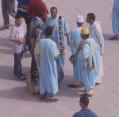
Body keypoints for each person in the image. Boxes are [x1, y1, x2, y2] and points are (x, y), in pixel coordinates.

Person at [38, 27, 59, 103]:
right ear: (52, 34)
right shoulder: (53, 44)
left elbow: (37, 52)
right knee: (51, 78)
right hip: (50, 64)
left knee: (43, 78)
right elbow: (56, 55)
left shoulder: (41, 42)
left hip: (43, 63)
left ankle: (42, 93)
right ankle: (50, 96)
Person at [79, 27, 98, 96]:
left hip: (87, 64)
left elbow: (85, 55)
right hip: (92, 62)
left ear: (83, 35)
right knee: (91, 76)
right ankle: (89, 88)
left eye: (81, 34)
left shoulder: (86, 44)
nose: (80, 35)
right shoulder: (92, 40)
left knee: (86, 77)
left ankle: (89, 91)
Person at [86, 13, 104, 85]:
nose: (86, 19)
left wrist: (101, 51)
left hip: (97, 49)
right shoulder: (91, 25)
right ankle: (95, 77)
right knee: (94, 63)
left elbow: (101, 40)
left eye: (87, 18)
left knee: (98, 63)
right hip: (92, 47)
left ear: (91, 19)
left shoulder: (96, 28)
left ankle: (98, 80)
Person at [68, 15, 84, 88]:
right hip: (84, 53)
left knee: (77, 67)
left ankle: (77, 82)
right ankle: (83, 80)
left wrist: (73, 53)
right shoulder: (86, 30)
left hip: (76, 53)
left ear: (77, 23)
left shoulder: (73, 31)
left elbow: (71, 44)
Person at [10, 15, 26, 80]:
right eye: (18, 21)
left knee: (17, 61)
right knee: (18, 61)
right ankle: (19, 75)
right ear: (15, 21)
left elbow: (24, 35)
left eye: (21, 21)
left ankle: (15, 72)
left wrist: (24, 40)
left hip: (22, 47)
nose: (20, 22)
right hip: (17, 48)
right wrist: (19, 40)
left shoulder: (22, 26)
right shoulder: (14, 28)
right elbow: (11, 38)